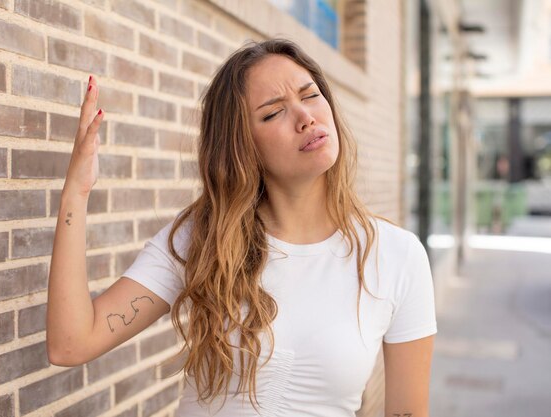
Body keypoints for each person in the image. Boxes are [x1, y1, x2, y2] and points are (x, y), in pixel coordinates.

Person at [47, 38, 437, 417]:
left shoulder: (397, 255)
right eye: (273, 113)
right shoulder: (202, 238)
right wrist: (75, 195)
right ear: (242, 146)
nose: (306, 118)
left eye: (310, 95)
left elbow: (406, 411)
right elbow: (70, 344)